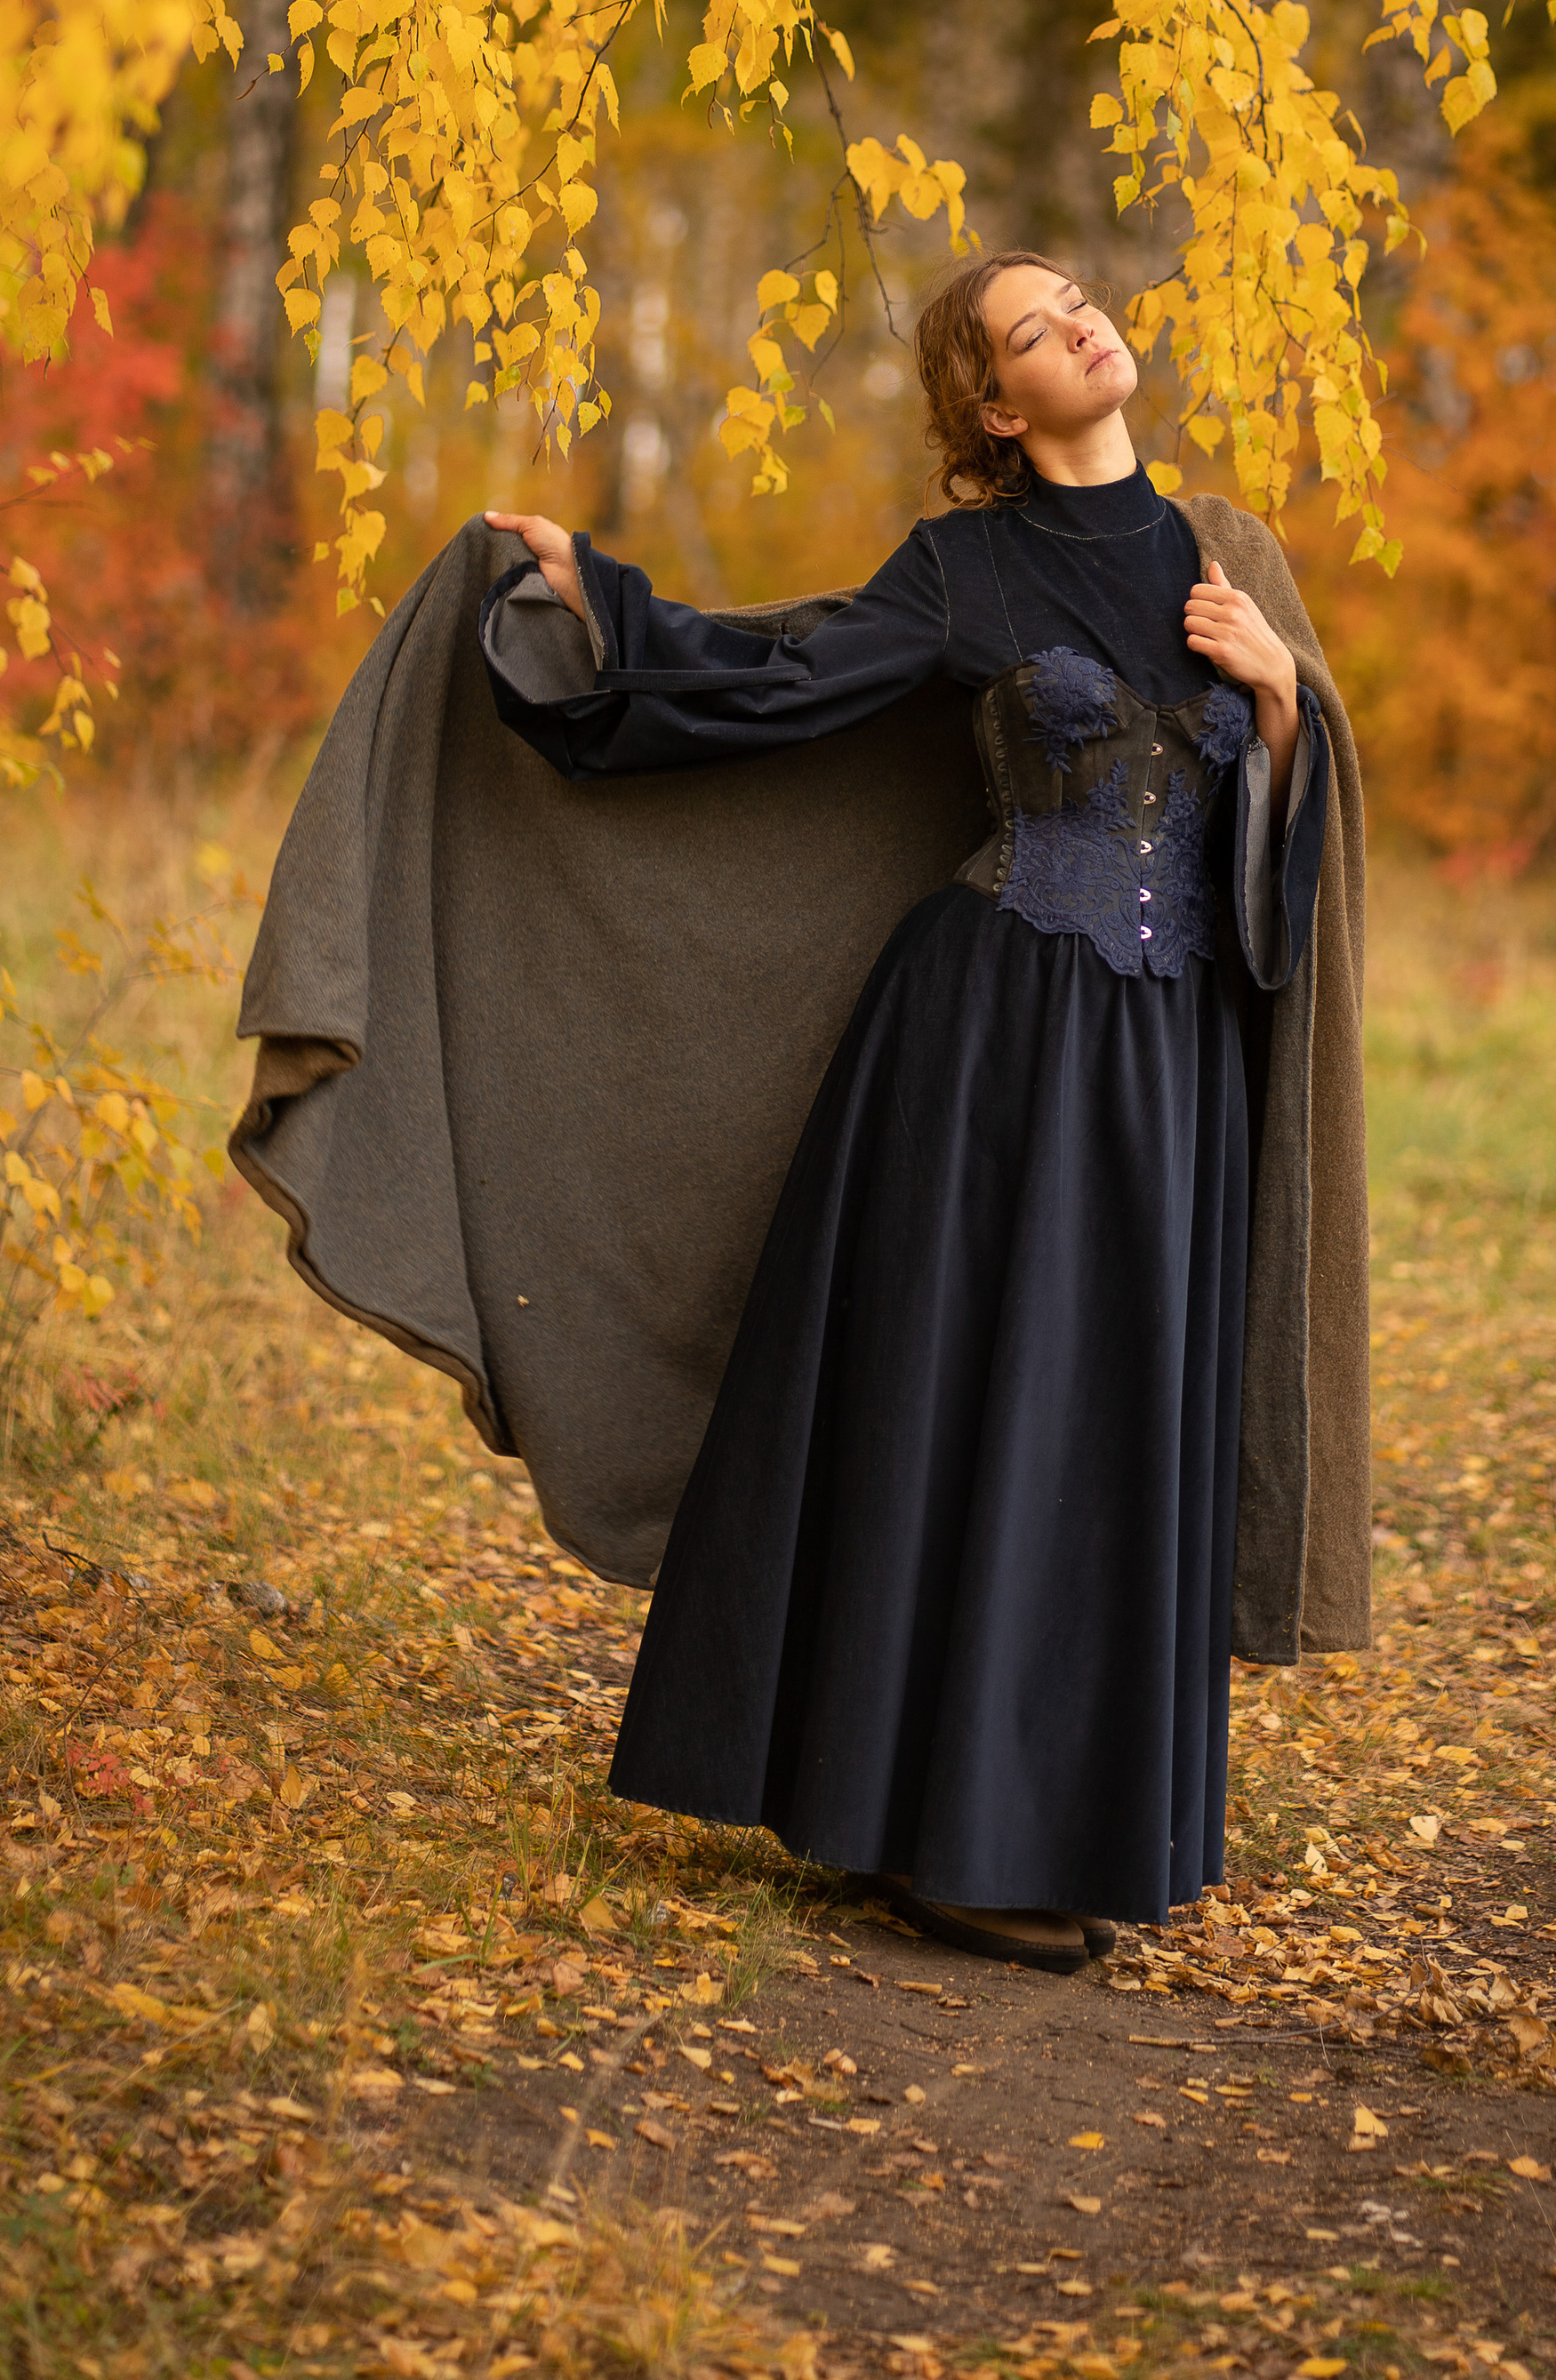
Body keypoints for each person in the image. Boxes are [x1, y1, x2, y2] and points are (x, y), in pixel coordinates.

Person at [475, 252, 1339, 1974]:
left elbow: (1278, 864)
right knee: (985, 1418)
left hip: (1165, 1075)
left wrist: (1282, 705)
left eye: (1077, 299)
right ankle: (928, 1836)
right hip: (995, 1043)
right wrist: (607, 611)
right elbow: (784, 673)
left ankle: (1062, 1826)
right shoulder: (965, 571)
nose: (1080, 323)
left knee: (1107, 1439)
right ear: (994, 411)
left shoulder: (1219, 560)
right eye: (1031, 330)